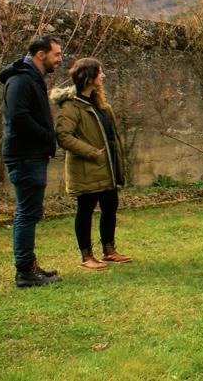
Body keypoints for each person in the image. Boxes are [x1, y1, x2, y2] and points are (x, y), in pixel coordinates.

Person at [52, 57, 132, 269]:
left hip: (107, 169)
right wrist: (92, 152)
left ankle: (109, 250)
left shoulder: (100, 105)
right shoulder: (72, 106)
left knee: (110, 206)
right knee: (85, 210)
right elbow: (63, 136)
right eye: (99, 72)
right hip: (86, 169)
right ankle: (87, 256)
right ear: (88, 76)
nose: (103, 76)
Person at [0, 35, 64, 288]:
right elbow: (18, 116)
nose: (59, 59)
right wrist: (47, 135)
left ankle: (29, 265)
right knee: (26, 213)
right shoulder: (21, 80)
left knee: (30, 212)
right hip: (24, 156)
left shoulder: (30, 78)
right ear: (40, 54)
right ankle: (24, 271)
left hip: (31, 155)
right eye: (56, 54)